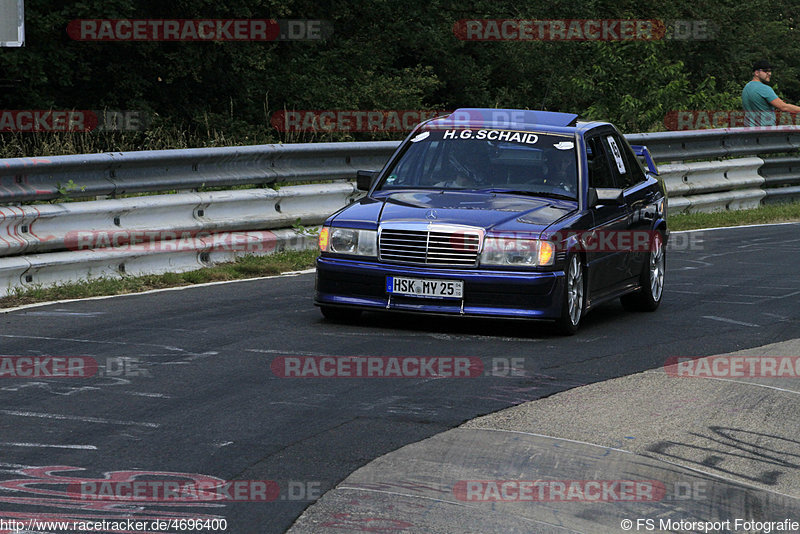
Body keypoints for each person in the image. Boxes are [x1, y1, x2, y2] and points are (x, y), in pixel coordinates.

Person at [742, 59, 800, 127]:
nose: (769, 74)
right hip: (765, 133)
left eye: (770, 71)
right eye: (765, 71)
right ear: (757, 73)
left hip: (748, 132)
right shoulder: (764, 88)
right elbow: (783, 107)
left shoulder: (746, 87)